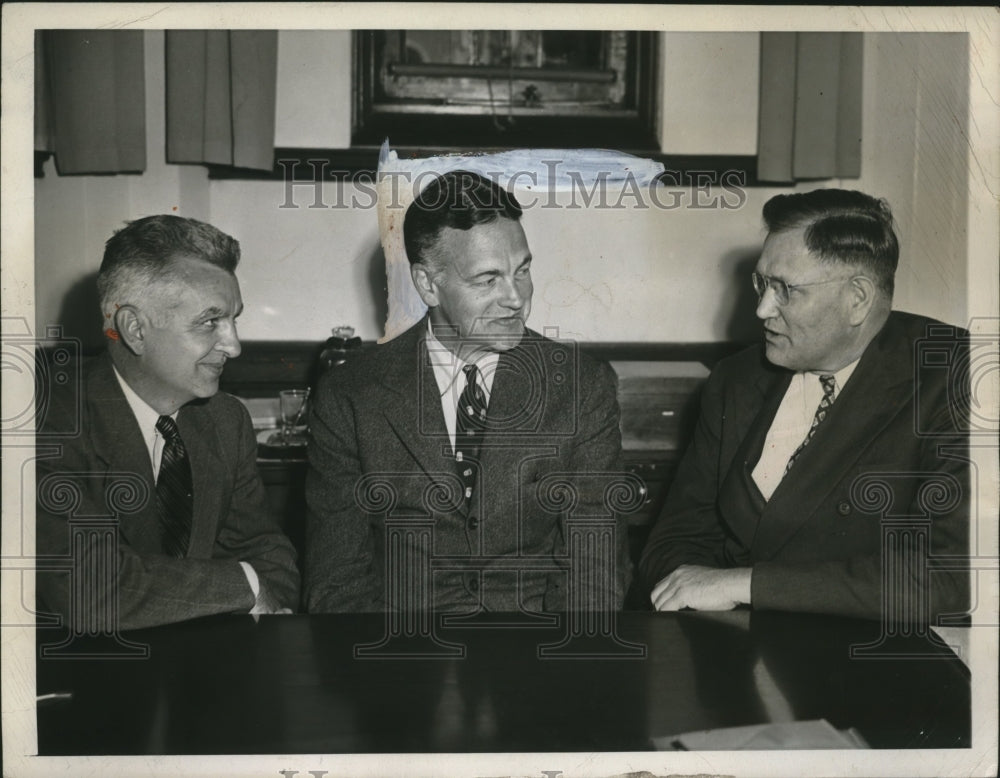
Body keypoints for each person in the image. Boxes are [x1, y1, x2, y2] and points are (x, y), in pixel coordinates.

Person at [305, 170, 631, 613]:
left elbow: (597, 568)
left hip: (538, 652)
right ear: (427, 285)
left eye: (523, 270)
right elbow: (338, 582)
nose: (516, 298)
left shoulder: (581, 385)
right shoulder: (351, 395)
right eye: (487, 279)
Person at [639, 189, 969, 622]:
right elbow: (675, 540)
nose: (761, 309)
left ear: (858, 299)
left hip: (871, 657)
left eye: (785, 290)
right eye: (761, 283)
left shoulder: (952, 378)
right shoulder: (736, 379)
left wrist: (743, 585)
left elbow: (949, 576)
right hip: (732, 640)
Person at [36, 215, 300, 631]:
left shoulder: (226, 420)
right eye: (210, 321)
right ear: (135, 329)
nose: (234, 346)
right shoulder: (46, 420)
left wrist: (264, 600)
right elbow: (91, 589)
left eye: (234, 319)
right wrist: (246, 586)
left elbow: (268, 552)